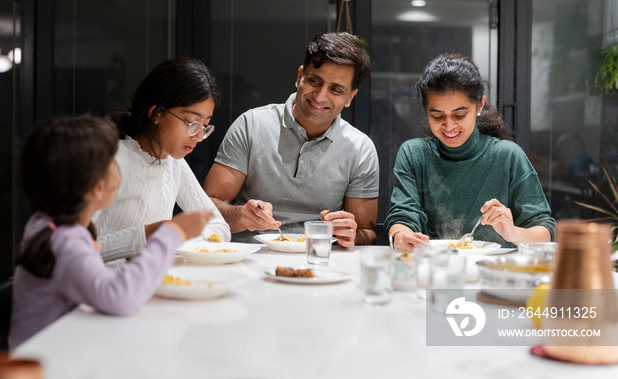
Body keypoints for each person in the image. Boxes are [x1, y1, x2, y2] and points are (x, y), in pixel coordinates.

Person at [10, 115, 212, 348]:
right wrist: (173, 231)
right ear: (96, 187)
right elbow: (119, 298)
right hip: (50, 369)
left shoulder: (49, 225)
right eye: (111, 163)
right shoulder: (64, 240)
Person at [203, 32, 379, 248]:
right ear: (300, 77)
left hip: (321, 259)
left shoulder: (360, 148)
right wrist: (241, 216)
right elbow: (205, 208)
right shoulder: (252, 124)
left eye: (335, 89)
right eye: (315, 81)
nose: (320, 96)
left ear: (350, 97)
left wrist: (352, 234)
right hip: (251, 256)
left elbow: (367, 232)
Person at [385, 53, 556, 252]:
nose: (449, 126)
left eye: (459, 115)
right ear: (426, 110)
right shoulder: (414, 154)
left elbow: (545, 230)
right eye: (437, 115)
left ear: (480, 105)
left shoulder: (508, 156)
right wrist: (401, 236)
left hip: (493, 271)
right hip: (433, 269)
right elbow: (402, 216)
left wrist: (513, 233)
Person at [94, 57, 230, 266]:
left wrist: (174, 240)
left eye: (205, 125)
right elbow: (74, 253)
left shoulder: (173, 162)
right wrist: (148, 235)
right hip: (103, 287)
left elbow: (219, 227)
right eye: (192, 123)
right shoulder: (110, 160)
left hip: (151, 283)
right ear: (156, 113)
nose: (199, 136)